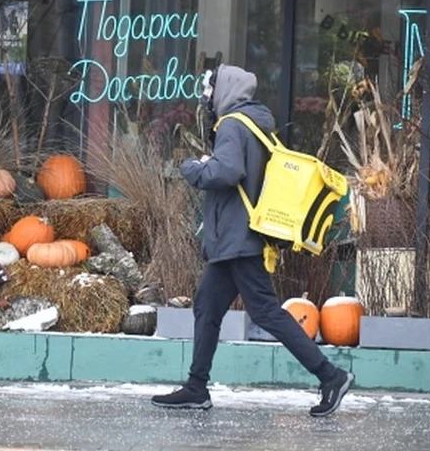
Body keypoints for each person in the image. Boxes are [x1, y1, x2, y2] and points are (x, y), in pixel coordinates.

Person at [150, 64, 354, 417]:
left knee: (266, 312)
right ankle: (197, 388)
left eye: (210, 90)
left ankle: (330, 376)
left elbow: (228, 172)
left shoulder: (232, 125)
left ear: (224, 90)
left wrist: (194, 168)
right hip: (237, 239)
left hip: (239, 239)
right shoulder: (256, 126)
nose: (206, 97)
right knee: (207, 306)